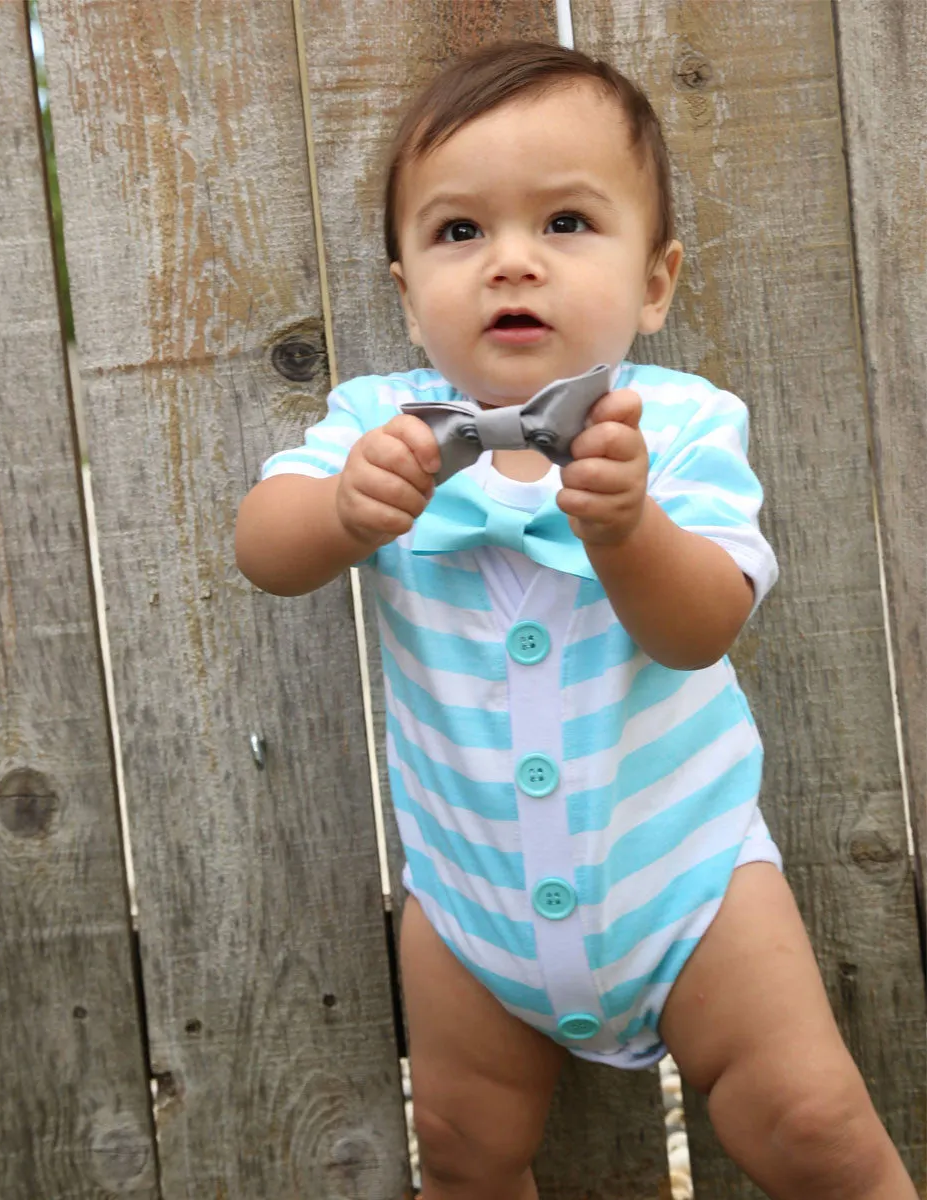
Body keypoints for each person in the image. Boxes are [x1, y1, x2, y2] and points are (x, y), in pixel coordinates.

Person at [235, 40, 917, 1200]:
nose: (510, 262)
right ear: (404, 290)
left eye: (563, 223)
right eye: (458, 232)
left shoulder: (682, 428)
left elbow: (699, 628)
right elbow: (263, 546)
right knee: (459, 1147)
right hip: (468, 898)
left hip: (685, 881)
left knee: (806, 1121)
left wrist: (627, 530)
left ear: (653, 281)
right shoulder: (375, 423)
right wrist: (344, 510)